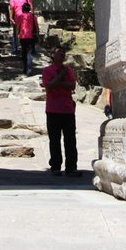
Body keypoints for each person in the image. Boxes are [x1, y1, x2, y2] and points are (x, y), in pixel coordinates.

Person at [41, 45, 79, 176]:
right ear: (52, 55)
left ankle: (71, 167)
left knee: (70, 140)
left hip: (68, 109)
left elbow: (72, 85)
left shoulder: (68, 70)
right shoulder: (47, 70)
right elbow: (48, 86)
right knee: (54, 139)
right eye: (59, 52)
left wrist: (57, 83)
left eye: (63, 52)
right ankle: (55, 166)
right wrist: (61, 78)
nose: (62, 54)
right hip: (53, 109)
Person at [12, 0, 39, 76]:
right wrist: (38, 34)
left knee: (24, 52)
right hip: (31, 36)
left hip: (23, 36)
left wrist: (17, 35)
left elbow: (18, 26)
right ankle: (29, 69)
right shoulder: (33, 16)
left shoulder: (20, 16)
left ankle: (25, 68)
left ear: (23, 9)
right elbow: (37, 26)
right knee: (29, 52)